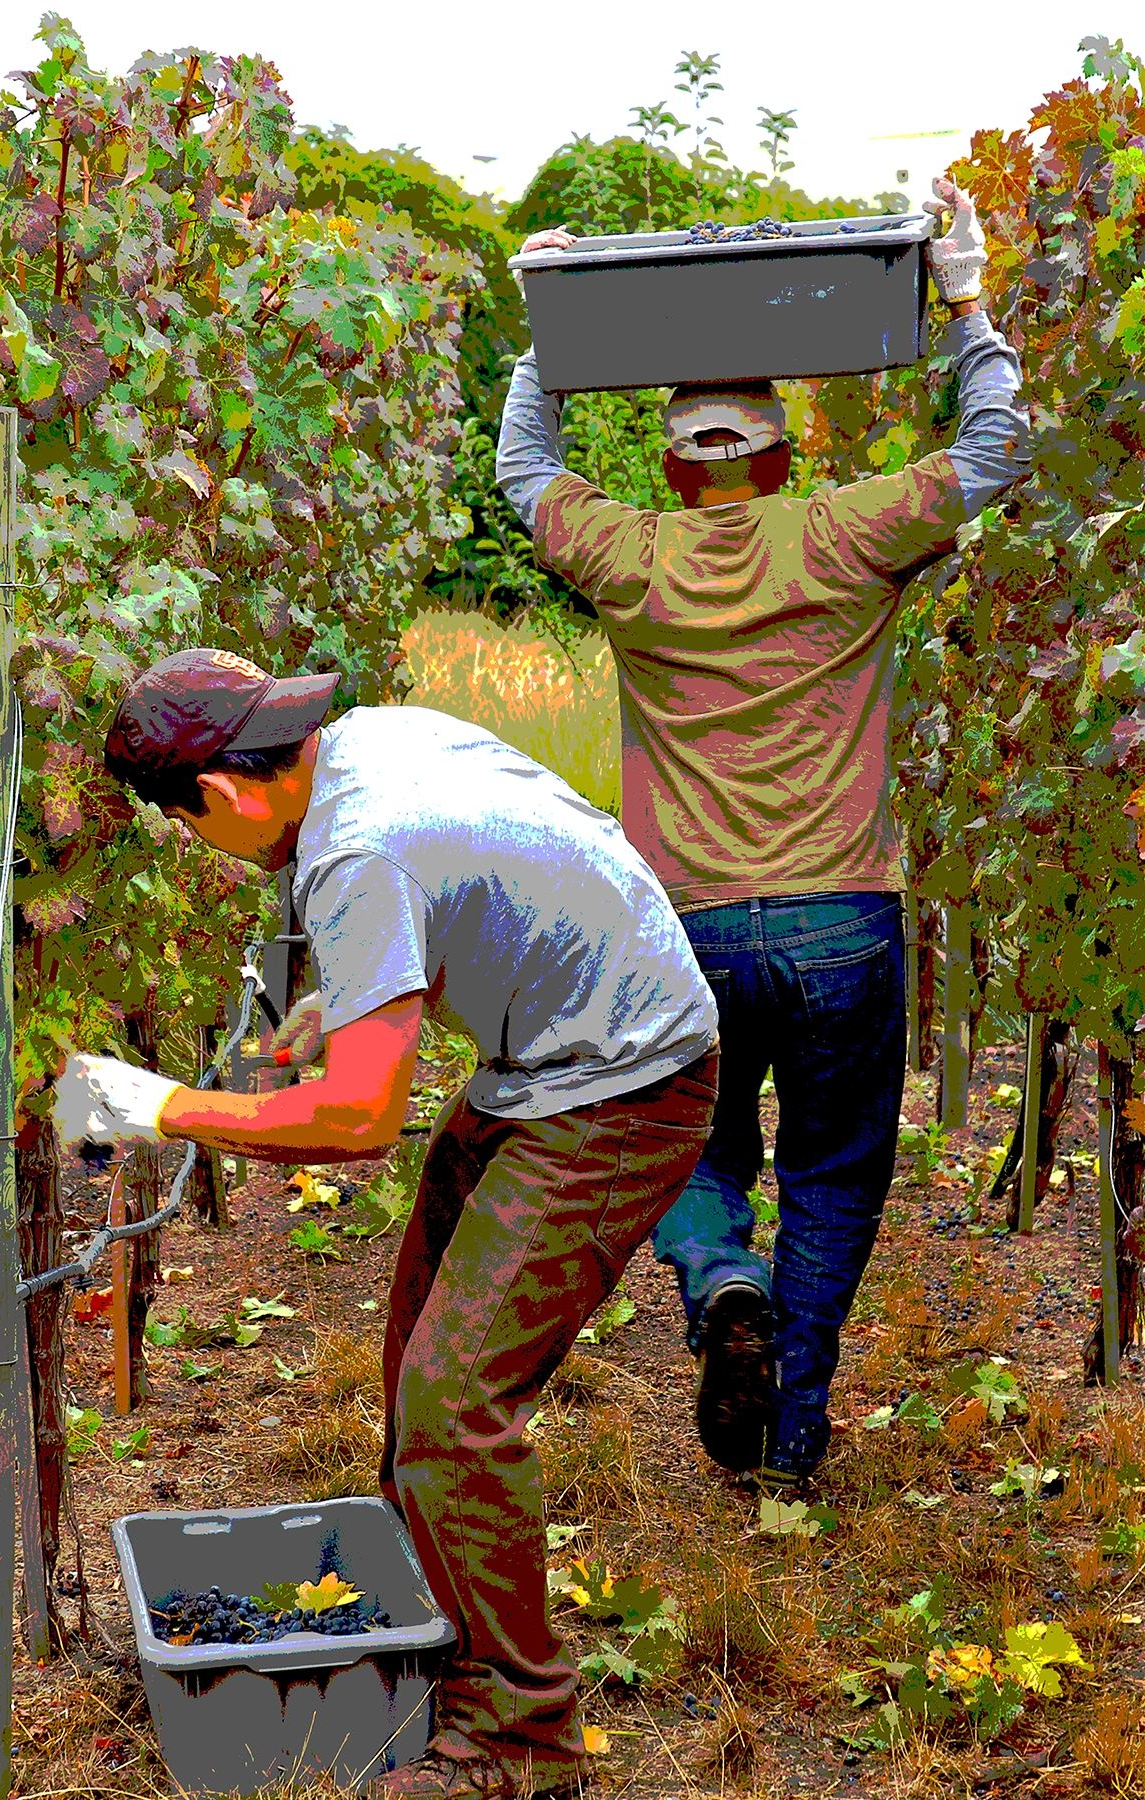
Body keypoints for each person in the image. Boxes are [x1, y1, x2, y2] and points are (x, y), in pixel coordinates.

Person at [54, 647, 719, 1800]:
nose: (202, 850)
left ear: (215, 794)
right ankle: (421, 1636)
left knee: (453, 1402)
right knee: (418, 1350)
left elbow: (363, 1117)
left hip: (621, 1090)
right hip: (557, 1058)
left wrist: (158, 1106)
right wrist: (359, 989)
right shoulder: (368, 744)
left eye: (184, 827)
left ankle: (520, 1736)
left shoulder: (354, 851)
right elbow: (484, 868)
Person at [495, 176, 1033, 1490]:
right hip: (846, 917)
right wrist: (965, 299)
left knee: (689, 1144)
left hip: (678, 921)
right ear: (783, 455)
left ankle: (724, 1279)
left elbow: (524, 472)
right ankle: (792, 1440)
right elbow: (998, 452)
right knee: (837, 1173)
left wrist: (545, 334)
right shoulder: (845, 533)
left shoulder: (633, 555)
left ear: (678, 464)